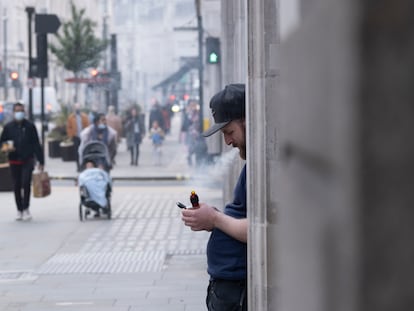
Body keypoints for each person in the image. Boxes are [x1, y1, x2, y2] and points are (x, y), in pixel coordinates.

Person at [181, 84, 247, 310]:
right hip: (229, 286)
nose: (228, 142)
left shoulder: (263, 168)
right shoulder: (253, 166)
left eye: (230, 132)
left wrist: (216, 219)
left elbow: (259, 228)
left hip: (237, 290)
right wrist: (213, 217)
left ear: (247, 120)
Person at [0, 102, 44, 221]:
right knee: (16, 185)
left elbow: (36, 144)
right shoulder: (8, 127)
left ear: (24, 112)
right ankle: (19, 209)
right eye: (17, 111)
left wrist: (41, 161)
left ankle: (26, 208)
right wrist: (6, 147)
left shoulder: (30, 126)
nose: (19, 113)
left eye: (21, 111)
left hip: (27, 159)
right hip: (14, 160)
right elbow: (2, 142)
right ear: (14, 112)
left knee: (26, 183)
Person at [66, 103, 89, 171]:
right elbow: (69, 127)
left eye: (78, 108)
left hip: (83, 136)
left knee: (84, 151)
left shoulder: (84, 116)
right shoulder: (71, 117)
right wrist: (71, 135)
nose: (77, 109)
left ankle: (83, 165)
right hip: (75, 136)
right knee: (76, 152)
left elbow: (87, 126)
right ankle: (78, 166)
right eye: (76, 108)